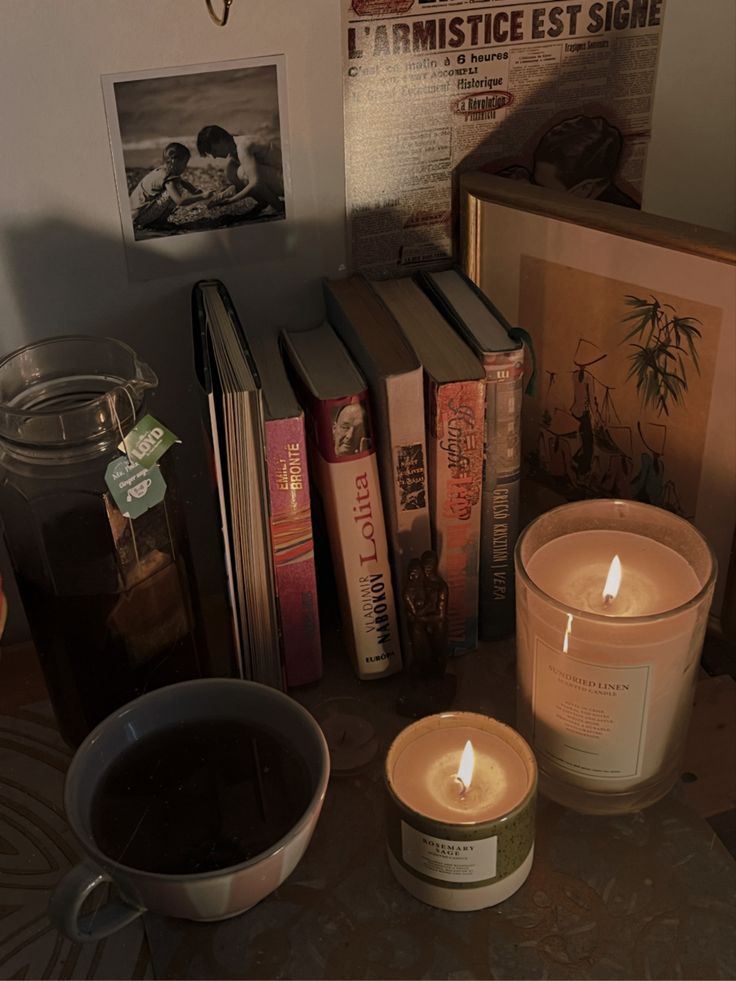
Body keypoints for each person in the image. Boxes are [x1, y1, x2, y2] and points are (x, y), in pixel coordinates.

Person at [487, 115, 640, 209]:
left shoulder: (622, 224)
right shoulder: (584, 198)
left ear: (585, 188)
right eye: (533, 181)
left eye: (542, 189)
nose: (532, 190)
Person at [196, 124, 285, 218]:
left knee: (242, 172)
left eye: (213, 151)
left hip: (288, 181)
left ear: (221, 140)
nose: (214, 157)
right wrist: (222, 196)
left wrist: (231, 200)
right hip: (278, 179)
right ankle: (263, 203)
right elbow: (245, 184)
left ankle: (278, 207)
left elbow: (255, 182)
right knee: (231, 170)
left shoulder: (243, 147)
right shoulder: (236, 146)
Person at [128, 143, 210, 231]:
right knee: (174, 189)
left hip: (136, 214)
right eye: (184, 163)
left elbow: (184, 182)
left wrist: (195, 190)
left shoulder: (163, 170)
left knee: (177, 185)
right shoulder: (167, 176)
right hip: (138, 218)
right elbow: (180, 201)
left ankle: (158, 222)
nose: (185, 167)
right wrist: (202, 196)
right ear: (174, 161)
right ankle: (159, 223)